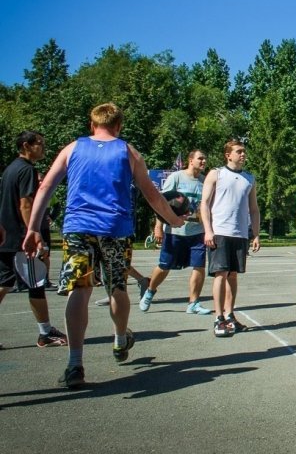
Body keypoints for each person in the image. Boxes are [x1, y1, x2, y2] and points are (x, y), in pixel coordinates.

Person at [22, 104, 185, 388]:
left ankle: (75, 364)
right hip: (115, 229)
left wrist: (33, 228)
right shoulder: (128, 152)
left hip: (77, 229)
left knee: (80, 290)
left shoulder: (72, 148)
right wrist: (173, 219)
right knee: (116, 287)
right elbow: (152, 194)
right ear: (119, 125)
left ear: (91, 124)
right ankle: (120, 339)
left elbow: (46, 187)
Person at [0, 131, 68, 348]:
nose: (43, 147)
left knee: (4, 283)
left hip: (7, 236)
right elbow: (25, 204)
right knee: (36, 283)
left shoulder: (11, 169)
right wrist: (34, 233)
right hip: (22, 239)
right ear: (26, 146)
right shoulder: (27, 170)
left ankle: (45, 331)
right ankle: (45, 333)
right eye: (39, 143)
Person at [139, 149, 213, 315]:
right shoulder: (176, 177)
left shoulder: (205, 181)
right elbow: (161, 203)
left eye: (205, 159)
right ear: (190, 160)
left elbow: (207, 206)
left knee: (199, 266)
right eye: (200, 158)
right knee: (165, 266)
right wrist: (158, 227)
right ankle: (150, 291)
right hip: (174, 232)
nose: (203, 161)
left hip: (197, 232)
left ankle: (193, 303)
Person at [200, 139, 261, 338]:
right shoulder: (216, 174)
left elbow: (253, 209)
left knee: (233, 275)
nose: (243, 154)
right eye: (239, 151)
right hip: (220, 232)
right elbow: (205, 204)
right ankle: (218, 319)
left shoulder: (249, 178)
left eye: (244, 151)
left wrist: (256, 234)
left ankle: (230, 315)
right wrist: (208, 231)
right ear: (228, 155)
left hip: (240, 233)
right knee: (220, 273)